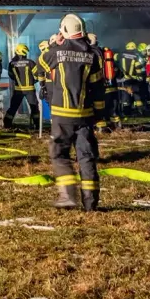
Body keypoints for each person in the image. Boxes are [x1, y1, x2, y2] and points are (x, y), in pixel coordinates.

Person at [40, 13, 105, 210]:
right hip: (84, 114)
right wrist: (100, 117)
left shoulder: (57, 52)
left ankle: (68, 195)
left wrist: (55, 44)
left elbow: (41, 63)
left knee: (59, 154)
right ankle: (90, 203)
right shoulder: (93, 55)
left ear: (64, 31)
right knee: (86, 157)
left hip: (61, 115)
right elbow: (98, 88)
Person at [5, 44, 41, 131]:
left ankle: (7, 124)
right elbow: (37, 76)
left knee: (13, 107)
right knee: (34, 108)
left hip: (18, 90)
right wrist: (33, 81)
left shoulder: (11, 64)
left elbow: (11, 76)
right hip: (30, 90)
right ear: (25, 53)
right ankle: (37, 126)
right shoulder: (31, 63)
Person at [117, 42, 142, 115]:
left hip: (122, 79)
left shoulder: (120, 55)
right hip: (132, 79)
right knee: (136, 95)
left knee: (125, 97)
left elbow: (115, 61)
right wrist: (139, 77)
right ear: (134, 48)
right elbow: (138, 68)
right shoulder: (135, 57)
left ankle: (125, 112)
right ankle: (139, 111)